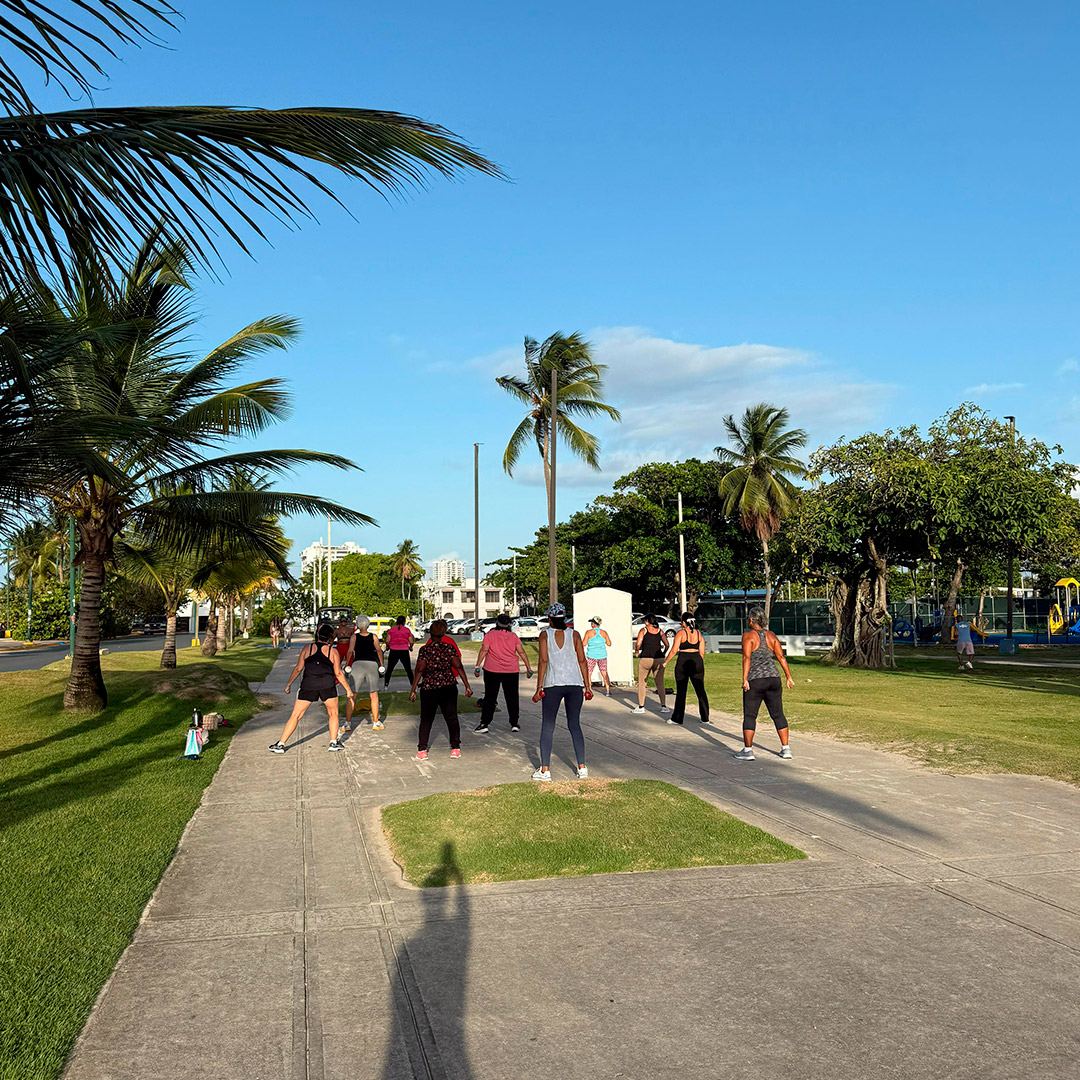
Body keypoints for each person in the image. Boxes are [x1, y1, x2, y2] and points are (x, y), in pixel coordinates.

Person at [270, 621, 354, 753]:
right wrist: (348, 690)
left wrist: (289, 684)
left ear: (318, 635)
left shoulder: (307, 648)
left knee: (296, 715)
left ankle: (280, 744)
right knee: (333, 714)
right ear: (331, 637)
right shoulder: (333, 652)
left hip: (308, 685)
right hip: (327, 685)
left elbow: (298, 669)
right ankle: (333, 742)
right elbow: (338, 673)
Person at [531, 602, 592, 780]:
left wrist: (538, 687)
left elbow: (543, 661)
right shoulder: (574, 634)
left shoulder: (545, 635)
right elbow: (582, 661)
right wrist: (587, 686)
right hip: (574, 684)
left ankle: (545, 770)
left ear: (550, 619)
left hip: (553, 684)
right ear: (564, 618)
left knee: (548, 725)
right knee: (574, 725)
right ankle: (582, 768)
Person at [734, 606, 794, 761]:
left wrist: (745, 679)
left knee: (750, 715)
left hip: (756, 680)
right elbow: (781, 657)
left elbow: (746, 658)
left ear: (752, 620)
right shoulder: (771, 635)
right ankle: (786, 749)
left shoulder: (748, 636)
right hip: (774, 678)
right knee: (778, 714)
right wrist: (788, 677)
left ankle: (748, 751)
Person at [409, 619, 472, 759]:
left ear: (430, 634)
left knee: (426, 719)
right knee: (452, 718)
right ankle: (455, 748)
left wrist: (413, 689)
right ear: (443, 634)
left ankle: (422, 750)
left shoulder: (425, 650)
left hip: (429, 687)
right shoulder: (449, 648)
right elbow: (458, 666)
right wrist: (467, 685)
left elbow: (420, 670)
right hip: (448, 687)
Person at [473, 612, 533, 733]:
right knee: (512, 697)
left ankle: (484, 723)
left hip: (492, 670)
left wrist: (477, 665)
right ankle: (514, 723)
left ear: (497, 623)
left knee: (490, 697)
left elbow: (484, 650)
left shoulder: (490, 635)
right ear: (509, 624)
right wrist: (528, 667)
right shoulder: (513, 636)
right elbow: (521, 652)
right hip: (511, 670)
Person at [663, 612, 709, 726]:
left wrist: (665, 662)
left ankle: (677, 718)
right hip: (697, 661)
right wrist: (698, 662)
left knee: (681, 691)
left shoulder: (681, 633)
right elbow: (702, 652)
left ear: (684, 623)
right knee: (700, 690)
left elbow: (674, 650)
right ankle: (705, 717)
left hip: (683, 662)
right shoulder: (699, 634)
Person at [343, 615, 385, 732]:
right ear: (368, 624)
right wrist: (381, 664)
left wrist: (347, 664)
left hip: (358, 665)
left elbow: (350, 651)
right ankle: (376, 722)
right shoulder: (374, 637)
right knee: (374, 694)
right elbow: (378, 650)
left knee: (353, 694)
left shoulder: (354, 637)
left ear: (358, 625)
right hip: (372, 665)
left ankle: (347, 723)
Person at [632, 615, 669, 714]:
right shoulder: (660, 631)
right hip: (659, 658)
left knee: (642, 683)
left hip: (646, 658)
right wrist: (664, 653)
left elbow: (638, 643)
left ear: (647, 621)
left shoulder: (643, 630)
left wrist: (637, 651)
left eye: (645, 620)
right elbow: (667, 644)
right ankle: (664, 706)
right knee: (660, 683)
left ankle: (641, 706)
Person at [582, 616, 612, 696]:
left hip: (591, 655)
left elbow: (584, 644)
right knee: (604, 673)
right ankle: (608, 691)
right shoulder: (604, 633)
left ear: (593, 624)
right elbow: (609, 643)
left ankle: (589, 690)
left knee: (589, 673)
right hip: (602, 655)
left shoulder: (588, 632)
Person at [384, 615, 415, 689]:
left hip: (394, 650)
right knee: (408, 669)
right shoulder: (407, 630)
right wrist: (410, 647)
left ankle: (386, 685)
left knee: (390, 669)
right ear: (404, 622)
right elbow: (411, 641)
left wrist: (388, 646)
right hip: (404, 650)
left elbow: (387, 640)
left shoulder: (392, 629)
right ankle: (413, 685)